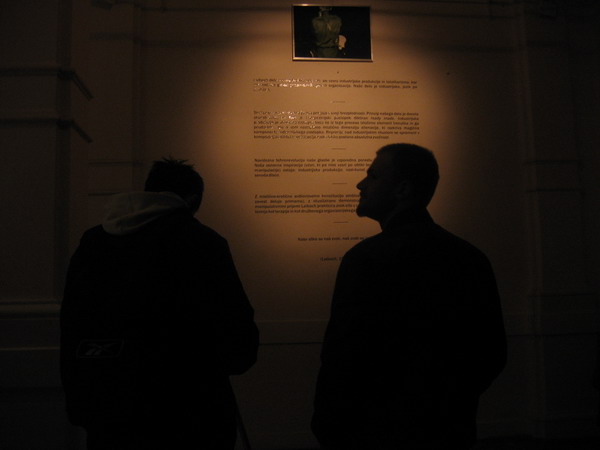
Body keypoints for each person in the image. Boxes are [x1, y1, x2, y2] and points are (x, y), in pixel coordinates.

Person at [312, 144, 506, 449]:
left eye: (373, 176)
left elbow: (344, 355)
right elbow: (490, 353)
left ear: (402, 189)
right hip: (447, 429)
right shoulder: (469, 257)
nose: (361, 184)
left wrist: (330, 423)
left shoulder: (366, 258)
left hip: (373, 431)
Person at [60, 157, 259, 450]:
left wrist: (80, 402)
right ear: (191, 200)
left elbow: (73, 322)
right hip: (190, 408)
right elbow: (235, 330)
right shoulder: (203, 243)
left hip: (111, 405)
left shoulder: (94, 242)